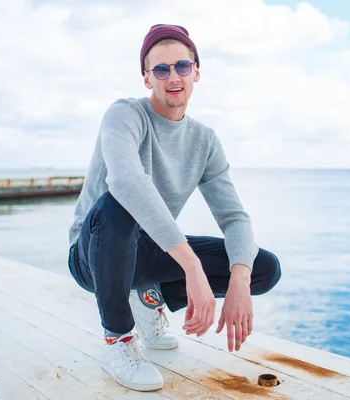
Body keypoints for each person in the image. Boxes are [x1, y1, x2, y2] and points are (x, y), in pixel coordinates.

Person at [67, 23, 282, 392]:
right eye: (160, 69)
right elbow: (126, 182)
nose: (173, 77)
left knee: (262, 266)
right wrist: (191, 266)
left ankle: (151, 299)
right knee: (119, 204)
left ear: (196, 71)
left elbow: (233, 218)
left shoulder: (204, 140)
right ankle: (118, 341)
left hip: (148, 251)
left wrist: (240, 278)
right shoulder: (124, 115)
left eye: (182, 66)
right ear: (146, 77)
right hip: (93, 255)